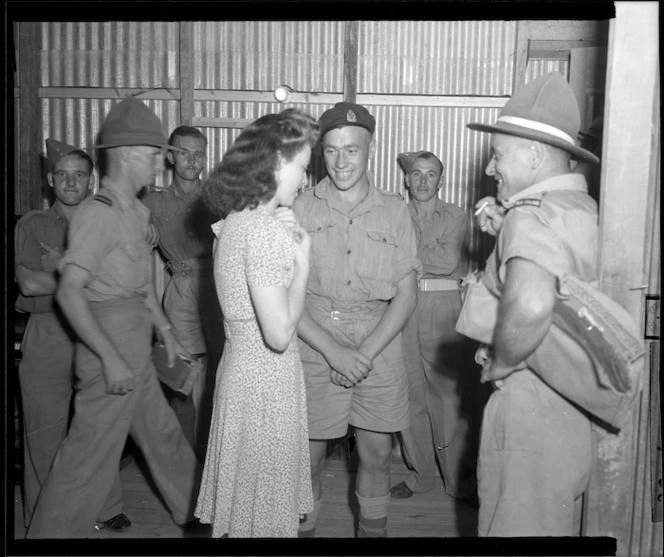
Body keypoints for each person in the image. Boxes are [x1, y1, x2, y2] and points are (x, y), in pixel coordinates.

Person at [26, 97, 202, 538]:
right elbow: (68, 292)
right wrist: (109, 358)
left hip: (135, 349)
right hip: (109, 356)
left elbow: (142, 287)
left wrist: (166, 333)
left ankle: (201, 515)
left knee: (163, 436)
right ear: (124, 155)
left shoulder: (137, 213)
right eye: (150, 155)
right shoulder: (95, 215)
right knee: (85, 460)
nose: (158, 164)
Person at [466, 71, 600, 536]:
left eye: (498, 155)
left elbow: (533, 304)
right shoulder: (579, 209)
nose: (490, 169)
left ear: (535, 155)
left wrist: (501, 360)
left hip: (529, 414)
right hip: (568, 411)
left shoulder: (531, 217)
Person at [292, 102, 420, 538]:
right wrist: (333, 351)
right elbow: (285, 298)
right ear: (319, 153)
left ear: (371, 149)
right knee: (307, 456)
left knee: (377, 453)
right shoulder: (300, 208)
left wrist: (363, 352)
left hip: (378, 341)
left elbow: (406, 292)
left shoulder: (394, 210)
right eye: (331, 151)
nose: (341, 161)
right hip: (314, 337)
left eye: (352, 150)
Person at [194, 108, 318, 538]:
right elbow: (281, 335)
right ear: (277, 162)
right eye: (302, 167)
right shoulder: (261, 232)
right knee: (262, 522)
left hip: (241, 376)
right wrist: (302, 264)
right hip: (266, 386)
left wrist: (285, 234)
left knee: (244, 519)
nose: (304, 181)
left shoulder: (234, 223)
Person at [15, 139, 130, 532]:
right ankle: (43, 516)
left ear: (91, 181)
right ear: (50, 180)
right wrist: (82, 276)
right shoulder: (31, 223)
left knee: (97, 424)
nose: (70, 182)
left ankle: (104, 506)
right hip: (47, 332)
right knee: (44, 429)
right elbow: (29, 284)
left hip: (95, 332)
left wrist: (61, 266)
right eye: (62, 175)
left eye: (79, 175)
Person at [390, 150, 481, 506]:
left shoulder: (456, 216)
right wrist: (415, 259)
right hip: (402, 307)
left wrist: (408, 257)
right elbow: (390, 258)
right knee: (411, 394)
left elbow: (446, 261)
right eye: (417, 174)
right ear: (407, 180)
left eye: (431, 174)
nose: (423, 181)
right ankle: (420, 475)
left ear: (440, 181)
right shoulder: (394, 213)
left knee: (447, 397)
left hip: (443, 307)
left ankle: (459, 480)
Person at [141, 126, 223, 457]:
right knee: (182, 379)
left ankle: (211, 458)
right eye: (185, 153)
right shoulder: (152, 201)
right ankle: (187, 459)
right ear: (171, 156)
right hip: (181, 289)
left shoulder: (219, 197)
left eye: (199, 153)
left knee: (217, 378)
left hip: (218, 289)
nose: (193, 160)